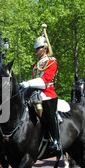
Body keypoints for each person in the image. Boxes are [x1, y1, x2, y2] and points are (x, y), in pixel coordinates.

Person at [20, 24, 60, 153]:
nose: (36, 50)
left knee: (47, 111)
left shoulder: (51, 62)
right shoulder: (36, 65)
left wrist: (28, 83)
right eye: (35, 48)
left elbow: (45, 80)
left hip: (47, 92)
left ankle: (55, 139)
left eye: (38, 48)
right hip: (35, 91)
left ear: (45, 48)